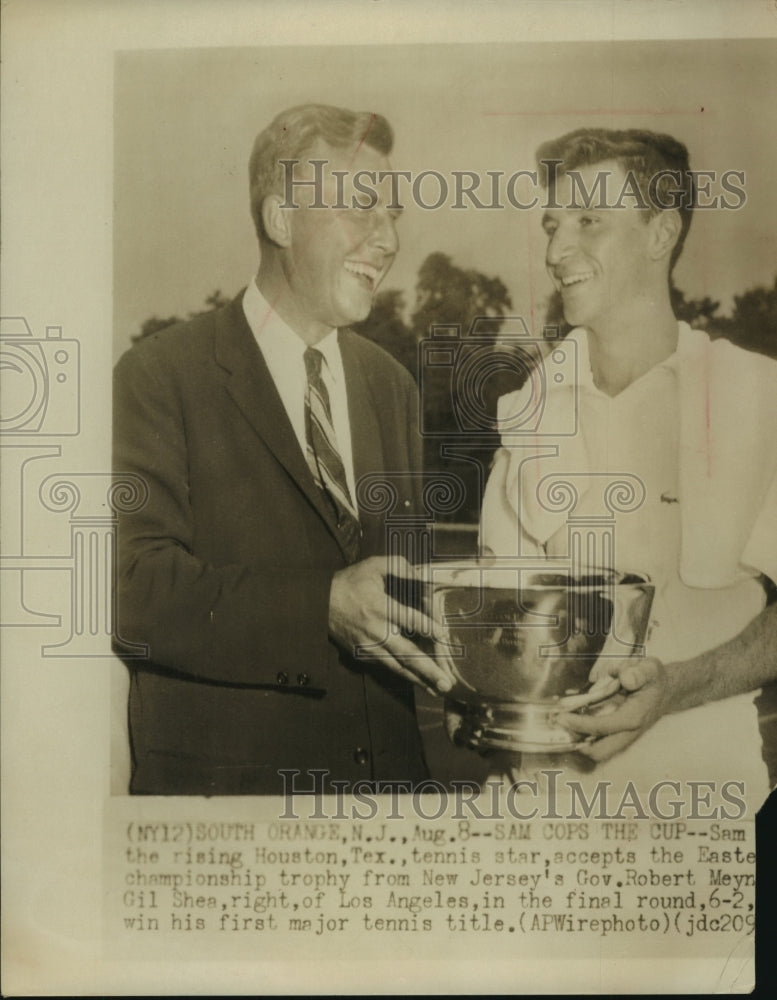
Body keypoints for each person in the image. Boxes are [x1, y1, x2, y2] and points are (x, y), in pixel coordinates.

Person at [113, 103, 453, 796]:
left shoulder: (390, 386)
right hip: (228, 816)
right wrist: (317, 605)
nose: (386, 240)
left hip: (388, 810)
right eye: (360, 209)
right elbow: (129, 590)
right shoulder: (158, 375)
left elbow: (401, 591)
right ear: (278, 219)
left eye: (393, 216)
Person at [479, 128, 777, 810]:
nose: (556, 251)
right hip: (542, 810)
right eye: (552, 224)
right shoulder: (525, 409)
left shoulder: (755, 395)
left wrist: (671, 688)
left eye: (589, 221)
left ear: (659, 232)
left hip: (707, 807)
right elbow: (503, 625)